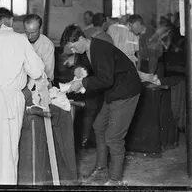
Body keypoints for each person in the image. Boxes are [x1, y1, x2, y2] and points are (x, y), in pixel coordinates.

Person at [0, 8, 45, 185]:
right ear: (11, 20)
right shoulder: (20, 39)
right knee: (7, 146)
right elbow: (36, 70)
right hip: (9, 96)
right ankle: (6, 184)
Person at [61, 24, 142, 186]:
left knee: (113, 137)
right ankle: (100, 168)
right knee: (99, 126)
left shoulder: (100, 49)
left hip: (125, 92)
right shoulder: (88, 48)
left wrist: (82, 83)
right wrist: (78, 72)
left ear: (81, 38)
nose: (74, 51)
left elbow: (106, 79)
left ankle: (115, 180)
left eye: (73, 47)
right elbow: (96, 71)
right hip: (113, 91)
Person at [81, 13, 113, 149]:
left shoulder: (85, 32)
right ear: (104, 23)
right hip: (99, 76)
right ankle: (98, 140)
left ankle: (84, 139)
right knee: (101, 109)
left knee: (88, 109)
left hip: (84, 74)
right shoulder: (106, 36)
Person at [23, 14, 55, 87]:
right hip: (22, 83)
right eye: (27, 32)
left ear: (39, 29)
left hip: (42, 82)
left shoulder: (47, 45)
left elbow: (48, 72)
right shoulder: (19, 41)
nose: (30, 36)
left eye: (33, 32)